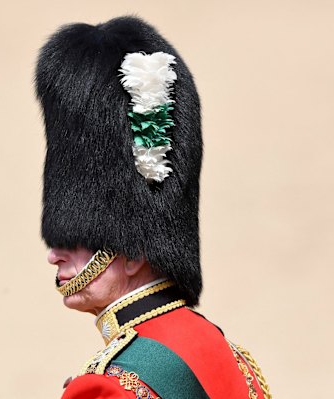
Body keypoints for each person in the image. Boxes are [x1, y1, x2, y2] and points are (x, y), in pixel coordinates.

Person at [34, 16, 271, 399]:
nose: (53, 256)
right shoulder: (233, 360)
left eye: (76, 237)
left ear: (132, 252)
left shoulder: (110, 386)